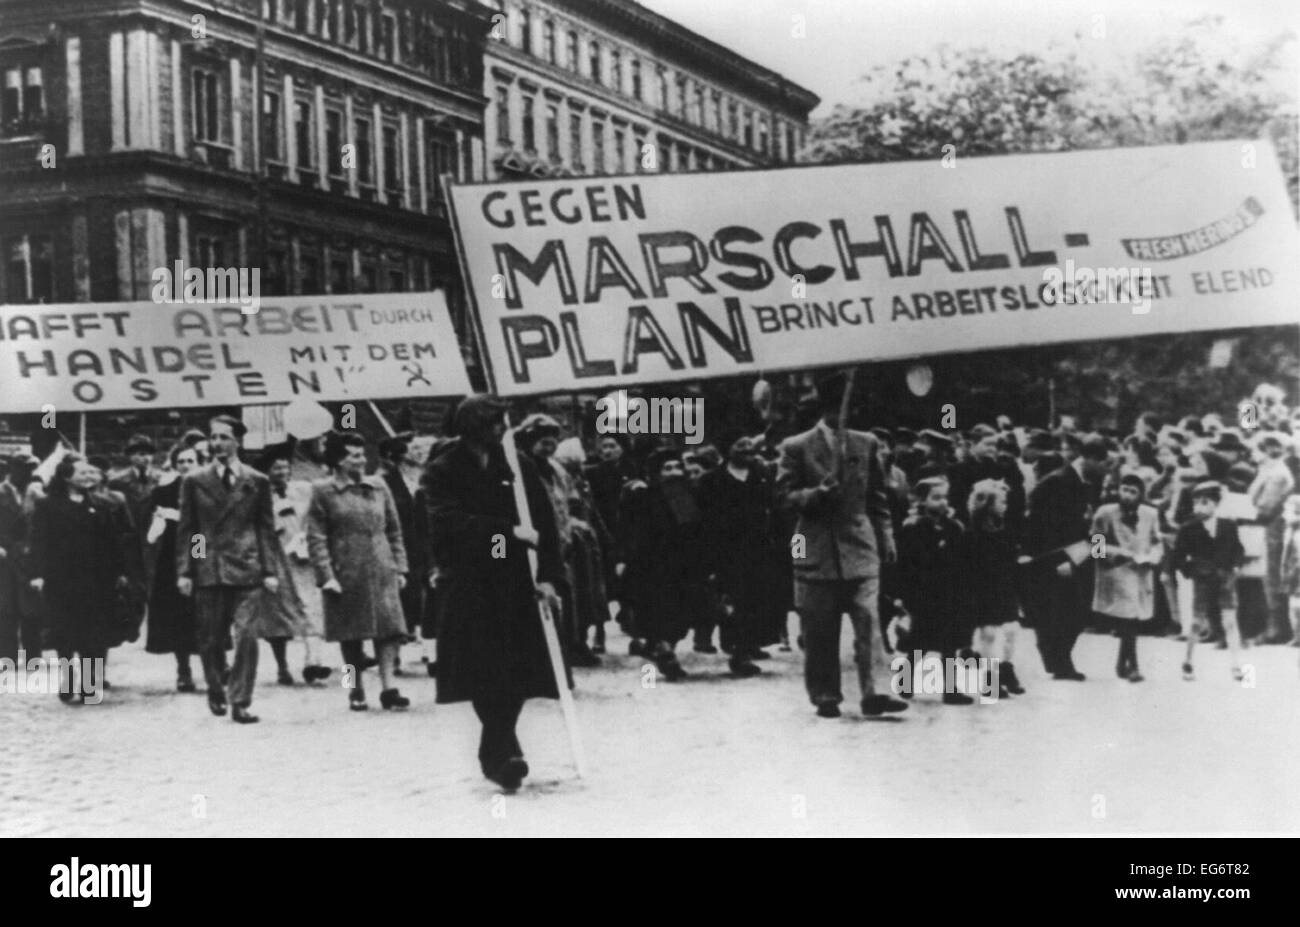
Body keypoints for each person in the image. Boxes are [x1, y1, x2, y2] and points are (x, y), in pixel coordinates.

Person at [423, 394, 568, 792]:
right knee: (482, 672)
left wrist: (551, 576)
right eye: (495, 422)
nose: (503, 429)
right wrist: (504, 533)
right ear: (474, 426)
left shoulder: (517, 466)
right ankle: (502, 755)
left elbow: (544, 523)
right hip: (470, 583)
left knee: (516, 671)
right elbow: (446, 524)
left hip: (516, 584)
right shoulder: (443, 470)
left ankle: (499, 749)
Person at [776, 372, 906, 719]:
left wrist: (886, 536)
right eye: (835, 408)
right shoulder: (796, 446)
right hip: (813, 546)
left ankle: (875, 691)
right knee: (819, 627)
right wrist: (815, 495)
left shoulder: (867, 444)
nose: (842, 415)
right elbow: (782, 499)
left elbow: (877, 496)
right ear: (826, 408)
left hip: (860, 548)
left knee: (869, 620)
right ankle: (825, 694)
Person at [175, 415, 280, 724]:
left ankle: (241, 700)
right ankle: (215, 686)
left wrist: (269, 569)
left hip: (248, 568)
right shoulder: (194, 480)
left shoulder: (257, 481)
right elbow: (191, 530)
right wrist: (189, 569)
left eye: (223, 437)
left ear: (237, 442)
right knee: (210, 639)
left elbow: (265, 529)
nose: (217, 443)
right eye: (213, 437)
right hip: (211, 568)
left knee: (247, 635)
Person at [307, 432, 410, 711]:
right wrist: (326, 575)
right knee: (350, 635)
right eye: (354, 455)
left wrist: (400, 566)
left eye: (363, 454)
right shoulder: (322, 490)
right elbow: (316, 537)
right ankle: (353, 688)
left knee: (389, 630)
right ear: (339, 461)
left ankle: (389, 688)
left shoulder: (379, 486)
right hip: (345, 570)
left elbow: (394, 530)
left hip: (381, 566)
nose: (362, 460)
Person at [28, 455, 132, 704]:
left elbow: (112, 542)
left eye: (90, 473)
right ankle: (67, 678)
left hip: (97, 580)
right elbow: (39, 542)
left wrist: (120, 572)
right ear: (66, 477)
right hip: (61, 579)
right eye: (82, 473)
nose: (88, 477)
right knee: (63, 632)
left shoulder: (100, 504)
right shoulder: (47, 505)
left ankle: (88, 684)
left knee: (93, 632)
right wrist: (38, 574)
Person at [1022, 434, 1108, 680]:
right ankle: (1059, 662)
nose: (1105, 468)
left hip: (1084, 552)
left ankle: (1058, 659)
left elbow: (1097, 522)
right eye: (1102, 462)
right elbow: (1043, 525)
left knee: (1081, 612)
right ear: (1090, 458)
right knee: (1060, 610)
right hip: (1059, 556)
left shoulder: (1093, 481)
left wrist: (1098, 554)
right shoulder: (1057, 482)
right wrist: (1059, 560)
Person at [621, 448, 711, 680]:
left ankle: (666, 646)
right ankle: (663, 648)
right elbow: (634, 534)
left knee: (683, 612)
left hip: (686, 565)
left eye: (677, 467)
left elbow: (700, 530)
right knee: (658, 611)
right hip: (655, 565)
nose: (674, 472)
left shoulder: (691, 496)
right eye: (667, 468)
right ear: (656, 473)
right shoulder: (645, 497)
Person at [698, 434, 774, 678]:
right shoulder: (712, 480)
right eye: (739, 444)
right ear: (727, 448)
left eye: (749, 444)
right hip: (726, 550)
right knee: (733, 599)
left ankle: (748, 644)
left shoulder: (761, 477)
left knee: (756, 598)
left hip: (758, 547)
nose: (747, 448)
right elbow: (704, 518)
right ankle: (738, 652)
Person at [257, 442, 332, 686]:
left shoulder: (303, 490)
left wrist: (308, 536)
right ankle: (282, 666)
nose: (281, 473)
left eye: (285, 468)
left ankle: (314, 662)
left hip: (301, 556)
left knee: (311, 606)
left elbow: (319, 515)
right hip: (275, 556)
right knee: (278, 612)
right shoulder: (258, 496)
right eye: (276, 469)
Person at [896, 476, 973, 705]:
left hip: (948, 591)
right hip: (924, 592)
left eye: (944, 497)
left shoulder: (953, 526)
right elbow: (907, 563)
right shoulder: (914, 527)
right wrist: (904, 596)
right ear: (922, 500)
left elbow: (961, 556)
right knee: (920, 640)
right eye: (936, 497)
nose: (942, 502)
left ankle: (950, 688)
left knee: (949, 642)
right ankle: (906, 680)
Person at [1091, 474, 1163, 682]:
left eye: (1133, 492)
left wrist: (1153, 557)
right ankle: (1133, 666)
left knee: (1130, 618)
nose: (1127, 495)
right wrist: (1119, 552)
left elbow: (1157, 541)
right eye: (1124, 490)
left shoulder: (1150, 514)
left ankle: (1122, 663)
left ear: (1141, 495)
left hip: (1141, 570)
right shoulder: (1105, 513)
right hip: (1116, 570)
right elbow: (1096, 546)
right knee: (1129, 616)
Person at [144, 443, 204, 692]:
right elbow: (151, 531)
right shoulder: (165, 491)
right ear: (174, 464)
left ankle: (217, 665)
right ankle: (184, 670)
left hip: (200, 550)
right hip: (171, 557)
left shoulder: (209, 487)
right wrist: (160, 519)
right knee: (179, 613)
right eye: (181, 461)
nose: (186, 466)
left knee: (207, 612)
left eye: (190, 461)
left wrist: (198, 561)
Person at [1172, 480, 1246, 681]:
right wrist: (1191, 570)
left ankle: (1236, 664)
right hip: (1202, 580)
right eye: (1196, 503)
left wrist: (1236, 567)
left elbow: (1238, 549)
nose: (1199, 507)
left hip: (1224, 579)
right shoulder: (1188, 528)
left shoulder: (1228, 526)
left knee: (1230, 621)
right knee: (1196, 622)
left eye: (1205, 502)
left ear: (1216, 504)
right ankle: (1188, 661)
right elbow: (1177, 555)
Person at [964, 478, 1024, 697]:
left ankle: (1006, 668)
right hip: (983, 588)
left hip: (1004, 586)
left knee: (1012, 629)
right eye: (1001, 502)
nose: (1005, 507)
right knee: (988, 633)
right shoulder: (972, 534)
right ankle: (990, 678)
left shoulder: (1006, 530)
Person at [377, 431, 426, 668]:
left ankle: (394, 658)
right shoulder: (382, 482)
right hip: (386, 549)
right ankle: (353, 686)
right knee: (391, 603)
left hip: (409, 545)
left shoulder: (410, 479)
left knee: (409, 600)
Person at [1249, 432, 1296, 644]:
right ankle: (1274, 626)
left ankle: (1277, 627)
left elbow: (1266, 506)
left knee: (1272, 576)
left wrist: (1244, 510)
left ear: (1268, 450)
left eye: (1257, 450)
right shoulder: (1267, 470)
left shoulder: (1277, 473)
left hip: (1273, 528)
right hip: (1267, 527)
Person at [0, 453, 42, 663]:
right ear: (12, 469)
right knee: (6, 608)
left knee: (31, 607)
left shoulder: (35, 493)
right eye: (23, 469)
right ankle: (7, 656)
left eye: (31, 469)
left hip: (30, 556)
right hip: (4, 557)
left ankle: (34, 655)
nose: (28, 474)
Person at [108, 434, 162, 591]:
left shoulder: (162, 479)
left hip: (155, 539)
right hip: (130, 541)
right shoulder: (117, 481)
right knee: (134, 585)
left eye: (149, 454)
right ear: (131, 456)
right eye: (140, 454)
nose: (146, 458)